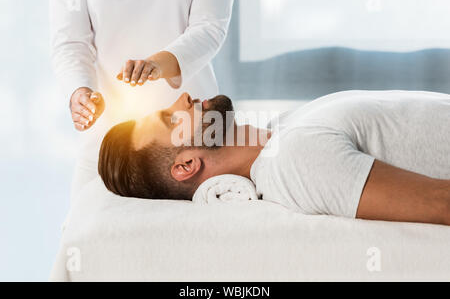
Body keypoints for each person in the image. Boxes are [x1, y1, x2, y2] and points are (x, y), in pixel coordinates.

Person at [98, 90, 450, 226]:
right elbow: (441, 203)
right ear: (187, 165)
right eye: (171, 119)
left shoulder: (283, 129)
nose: (183, 97)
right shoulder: (295, 161)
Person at [49, 0, 235, 195]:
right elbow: (71, 42)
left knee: (196, 225)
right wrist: (79, 90)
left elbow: (210, 26)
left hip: (191, 141)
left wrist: (158, 64)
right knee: (88, 224)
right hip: (108, 141)